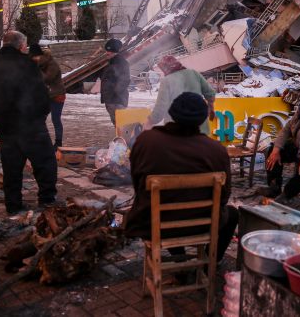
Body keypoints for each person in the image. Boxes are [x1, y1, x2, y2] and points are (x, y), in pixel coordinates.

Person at [124, 92, 238, 262]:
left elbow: (138, 185)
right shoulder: (216, 150)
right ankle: (209, 262)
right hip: (203, 224)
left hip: (153, 224)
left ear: (172, 113)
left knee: (163, 205)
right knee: (233, 214)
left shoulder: (146, 141)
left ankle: (179, 258)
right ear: (203, 119)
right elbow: (223, 196)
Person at [0, 31, 58, 215]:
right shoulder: (28, 64)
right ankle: (47, 200)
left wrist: (0, 110)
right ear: (21, 46)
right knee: (45, 163)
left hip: (5, 125)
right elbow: (41, 95)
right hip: (31, 125)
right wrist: (40, 114)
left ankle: (13, 205)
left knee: (11, 167)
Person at [147, 55, 215, 135]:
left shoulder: (166, 81)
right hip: (200, 129)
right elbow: (210, 93)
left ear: (166, 68)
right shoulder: (193, 73)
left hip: (178, 133)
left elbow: (160, 108)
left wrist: (149, 122)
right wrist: (211, 107)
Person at [29, 44, 65, 147]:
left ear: (40, 56)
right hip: (46, 95)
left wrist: (36, 70)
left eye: (35, 57)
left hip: (57, 95)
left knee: (55, 119)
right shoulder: (41, 64)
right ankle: (40, 140)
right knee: (40, 118)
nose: (34, 59)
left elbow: (47, 79)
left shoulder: (52, 65)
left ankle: (58, 142)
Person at [100, 39, 130, 125]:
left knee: (121, 125)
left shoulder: (120, 63)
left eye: (109, 51)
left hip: (117, 100)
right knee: (118, 125)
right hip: (112, 100)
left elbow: (125, 79)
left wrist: (115, 92)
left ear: (114, 52)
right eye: (106, 51)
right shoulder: (112, 62)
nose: (107, 53)